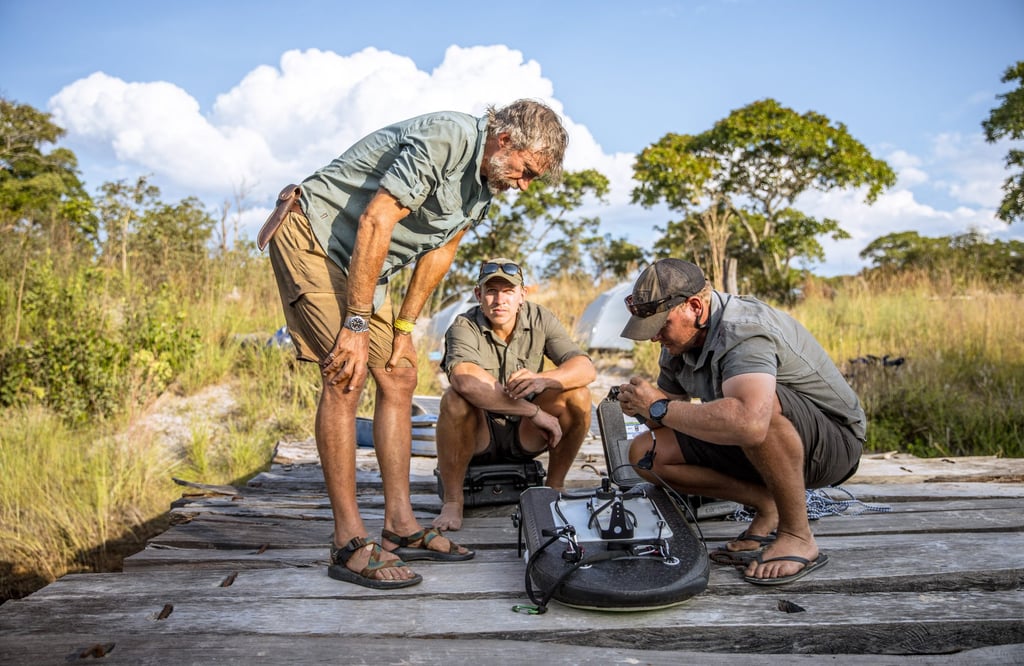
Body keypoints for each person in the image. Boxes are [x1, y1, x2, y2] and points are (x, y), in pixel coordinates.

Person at [259, 100, 568, 588]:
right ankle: (348, 542)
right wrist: (357, 326)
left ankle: (400, 525)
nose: (523, 185)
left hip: (366, 263)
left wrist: (404, 329)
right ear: (505, 141)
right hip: (314, 238)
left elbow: (440, 251)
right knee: (346, 372)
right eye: (526, 171)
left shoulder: (483, 188)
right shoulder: (447, 137)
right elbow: (377, 220)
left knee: (400, 375)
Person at [613, 259, 863, 586]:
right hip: (761, 441)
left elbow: (751, 421)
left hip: (831, 448)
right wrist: (642, 407)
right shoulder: (677, 343)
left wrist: (658, 407)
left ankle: (798, 535)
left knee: (756, 412)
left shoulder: (742, 329)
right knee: (647, 453)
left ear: (694, 306)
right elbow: (668, 420)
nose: (654, 338)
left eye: (662, 325)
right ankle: (766, 503)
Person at [432, 258, 597, 531]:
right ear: (479, 295)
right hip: (478, 435)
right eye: (492, 291)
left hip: (525, 435)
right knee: (454, 399)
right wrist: (534, 411)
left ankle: (553, 489)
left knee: (578, 396)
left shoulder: (540, 318)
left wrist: (543, 380)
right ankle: (453, 500)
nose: (500, 300)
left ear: (522, 295)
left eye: (508, 291)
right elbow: (464, 379)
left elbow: (585, 368)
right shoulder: (463, 325)